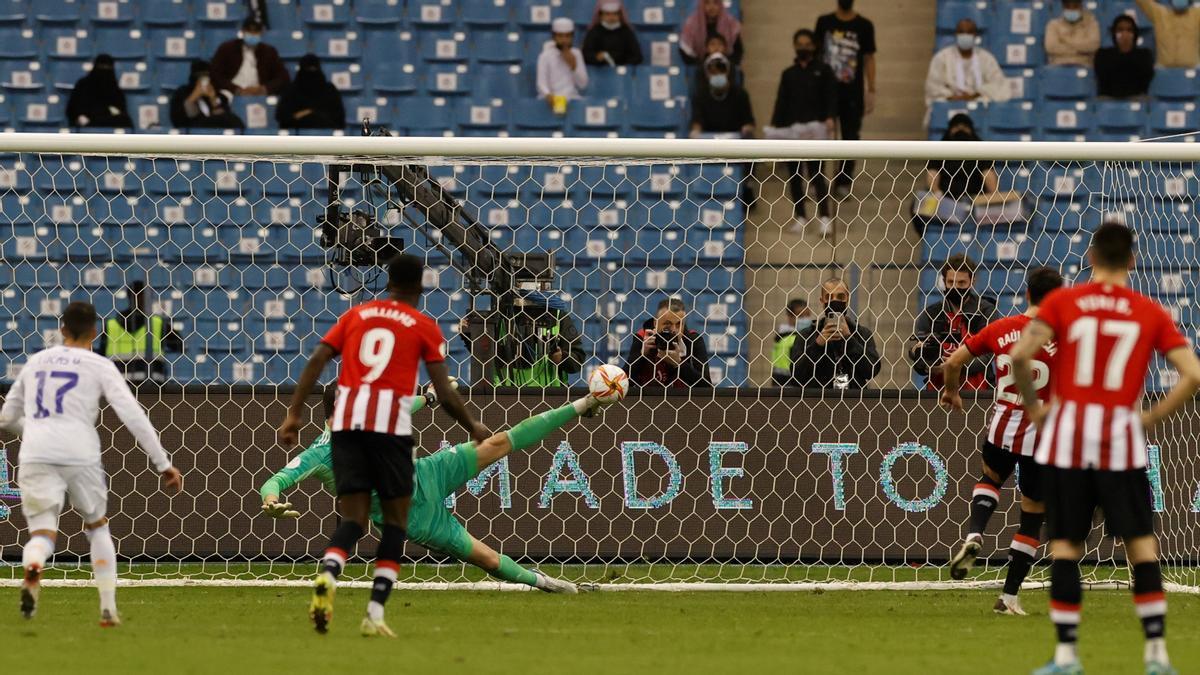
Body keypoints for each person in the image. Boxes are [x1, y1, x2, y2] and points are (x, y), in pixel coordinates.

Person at [1010, 222, 1200, 675]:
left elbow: (1020, 357)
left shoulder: (1063, 302)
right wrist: (1150, 417)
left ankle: (1066, 656)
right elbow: (1192, 374)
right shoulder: (1149, 311)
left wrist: (1037, 411)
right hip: (1121, 442)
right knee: (1141, 546)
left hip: (1069, 441)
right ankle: (1156, 655)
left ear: (1091, 259)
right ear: (1133, 260)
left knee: (1064, 547)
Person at [277, 254, 489, 638]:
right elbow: (443, 391)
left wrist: (293, 414)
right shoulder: (424, 326)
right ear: (419, 288)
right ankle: (374, 613)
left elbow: (317, 359)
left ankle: (327, 575)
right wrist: (473, 425)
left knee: (354, 521)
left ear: (388, 282)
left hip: (346, 427)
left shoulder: (355, 316)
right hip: (388, 428)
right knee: (395, 522)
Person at [263, 385, 609, 594]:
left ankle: (583, 404)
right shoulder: (321, 453)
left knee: (498, 443)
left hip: (428, 473)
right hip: (416, 517)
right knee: (487, 558)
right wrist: (272, 500)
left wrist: (428, 397)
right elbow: (275, 479)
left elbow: (404, 406)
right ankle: (549, 584)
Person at [0, 302, 183, 626]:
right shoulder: (98, 365)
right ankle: (108, 610)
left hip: (36, 453)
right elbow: (131, 414)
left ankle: (34, 566)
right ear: (95, 331)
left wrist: (37, 432)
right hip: (80, 453)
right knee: (97, 526)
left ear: (62, 330)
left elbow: (6, 417)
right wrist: (162, 462)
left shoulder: (36, 362)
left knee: (42, 533)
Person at [940, 266, 1065, 616]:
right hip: (1041, 437)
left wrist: (952, 392)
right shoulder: (1064, 337)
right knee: (1031, 518)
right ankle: (1008, 598)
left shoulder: (1001, 328)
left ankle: (975, 533)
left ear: (1027, 294)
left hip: (1000, 427)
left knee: (989, 480)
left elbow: (952, 363)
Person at [772, 29, 837, 236]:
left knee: (817, 174)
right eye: (799, 43)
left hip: (815, 132)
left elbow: (831, 98)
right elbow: (781, 103)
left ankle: (825, 217)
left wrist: (830, 117)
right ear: (794, 45)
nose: (803, 48)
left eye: (807, 44)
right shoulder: (788, 74)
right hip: (793, 132)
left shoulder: (824, 71)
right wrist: (776, 128)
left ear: (814, 46)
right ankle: (800, 216)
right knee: (794, 176)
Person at [815, 0, 877, 197]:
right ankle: (818, 181)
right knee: (820, 136)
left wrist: (871, 89)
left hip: (852, 92)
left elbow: (869, 58)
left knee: (850, 137)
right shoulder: (824, 22)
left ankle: (843, 181)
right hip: (825, 91)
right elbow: (816, 55)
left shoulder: (864, 25)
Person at [457, 293, 585, 387]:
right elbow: (487, 356)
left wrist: (561, 358)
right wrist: (469, 336)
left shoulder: (557, 315)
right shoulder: (500, 316)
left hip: (550, 398)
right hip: (504, 398)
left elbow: (577, 362)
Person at [908, 253, 996, 391]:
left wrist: (954, 366)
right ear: (943, 281)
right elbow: (918, 356)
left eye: (961, 283)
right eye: (950, 282)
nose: (955, 287)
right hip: (937, 392)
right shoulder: (932, 313)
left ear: (972, 281)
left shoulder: (985, 311)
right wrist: (922, 359)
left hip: (978, 394)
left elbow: (987, 354)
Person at [787, 278, 881, 389]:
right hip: (816, 402)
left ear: (847, 299)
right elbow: (796, 375)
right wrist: (818, 344)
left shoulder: (862, 333)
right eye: (829, 297)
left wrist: (849, 339)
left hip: (854, 402)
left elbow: (872, 371)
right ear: (822, 301)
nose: (834, 301)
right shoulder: (807, 335)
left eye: (840, 297)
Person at [98, 281, 185, 384]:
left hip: (119, 388)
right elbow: (180, 346)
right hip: (152, 390)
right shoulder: (157, 324)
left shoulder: (110, 325)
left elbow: (101, 358)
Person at [924, 18, 1011, 122]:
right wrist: (952, 97)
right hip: (949, 106)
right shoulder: (942, 57)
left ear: (975, 35)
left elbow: (999, 85)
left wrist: (974, 95)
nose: (965, 35)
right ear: (956, 34)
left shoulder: (986, 58)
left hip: (978, 107)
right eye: (961, 32)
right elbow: (933, 86)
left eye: (969, 32)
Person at [625, 298, 712, 388]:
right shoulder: (643, 338)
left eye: (679, 324)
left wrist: (678, 364)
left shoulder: (693, 340)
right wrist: (641, 355)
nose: (674, 330)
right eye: (667, 324)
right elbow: (624, 383)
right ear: (655, 323)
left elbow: (706, 387)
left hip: (683, 401)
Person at [209, 17, 290, 97]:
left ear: (262, 32)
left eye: (256, 32)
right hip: (231, 93)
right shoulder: (227, 48)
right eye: (249, 31)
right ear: (242, 31)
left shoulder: (269, 51)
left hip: (260, 94)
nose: (252, 35)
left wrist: (263, 89)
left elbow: (283, 77)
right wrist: (236, 89)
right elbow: (215, 74)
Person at [689, 52, 754, 138]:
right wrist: (695, 133)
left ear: (727, 72)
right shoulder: (700, 95)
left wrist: (747, 129)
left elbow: (748, 122)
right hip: (708, 142)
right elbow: (697, 121)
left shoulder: (741, 94)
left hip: (735, 141)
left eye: (721, 72)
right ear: (707, 74)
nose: (717, 75)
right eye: (713, 72)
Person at [275, 54, 346, 130]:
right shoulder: (290, 90)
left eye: (314, 69)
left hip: (325, 136)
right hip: (296, 137)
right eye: (308, 69)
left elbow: (339, 119)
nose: (311, 73)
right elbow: (282, 117)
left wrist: (312, 114)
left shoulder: (330, 90)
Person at [169, 59, 245, 130]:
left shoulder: (218, 94)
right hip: (193, 131)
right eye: (200, 76)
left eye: (206, 76)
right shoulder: (182, 93)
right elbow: (179, 120)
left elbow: (224, 117)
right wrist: (194, 96)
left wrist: (213, 99)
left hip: (216, 133)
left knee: (234, 121)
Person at [1095, 15, 1156, 98]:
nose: (1125, 34)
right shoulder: (1103, 54)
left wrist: (1128, 51)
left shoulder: (1144, 55)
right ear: (1114, 33)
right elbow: (1103, 78)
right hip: (1108, 100)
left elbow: (1145, 78)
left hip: (1137, 99)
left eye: (1129, 30)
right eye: (1120, 30)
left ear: (1134, 34)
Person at [66, 54, 133, 129]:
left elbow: (120, 110)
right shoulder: (83, 85)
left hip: (109, 123)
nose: (104, 70)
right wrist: (79, 117)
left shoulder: (114, 88)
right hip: (87, 122)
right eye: (101, 66)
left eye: (108, 67)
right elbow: (71, 109)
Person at [536, 18, 589, 106]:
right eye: (560, 36)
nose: (564, 40)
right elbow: (541, 84)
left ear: (572, 37)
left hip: (572, 99)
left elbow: (583, 85)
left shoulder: (576, 54)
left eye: (567, 36)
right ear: (554, 37)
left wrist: (574, 66)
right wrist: (548, 95)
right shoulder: (545, 56)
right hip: (550, 100)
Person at [1133, 0, 1200, 68]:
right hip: (1163, 69)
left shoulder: (1197, 14)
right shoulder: (1159, 14)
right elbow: (1142, 2)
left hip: (1192, 68)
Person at [679, 0, 743, 65]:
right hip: (699, 68)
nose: (711, 7)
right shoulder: (691, 25)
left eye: (715, 3)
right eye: (707, 3)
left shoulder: (731, 24)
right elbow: (685, 53)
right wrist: (703, 66)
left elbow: (737, 52)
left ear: (720, 5)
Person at [581, 1, 643, 67]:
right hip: (598, 73)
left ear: (620, 15)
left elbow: (637, 57)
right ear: (601, 16)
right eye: (607, 14)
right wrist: (596, 57)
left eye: (615, 14)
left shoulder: (626, 32)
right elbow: (584, 56)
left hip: (623, 73)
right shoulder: (594, 32)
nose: (611, 17)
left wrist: (621, 63)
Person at [1044, 0, 1100, 66]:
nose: (1071, 10)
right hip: (1058, 66)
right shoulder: (1053, 25)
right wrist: (1080, 50)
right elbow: (1051, 47)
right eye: (1068, 7)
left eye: (1075, 7)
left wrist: (1065, 40)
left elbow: (1093, 46)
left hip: (1084, 65)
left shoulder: (1091, 24)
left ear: (1081, 7)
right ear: (1063, 7)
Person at [772, 298, 813, 386]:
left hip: (778, 382)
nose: (806, 319)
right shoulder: (794, 338)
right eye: (801, 316)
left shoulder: (780, 336)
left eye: (808, 315)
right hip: (791, 384)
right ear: (790, 317)